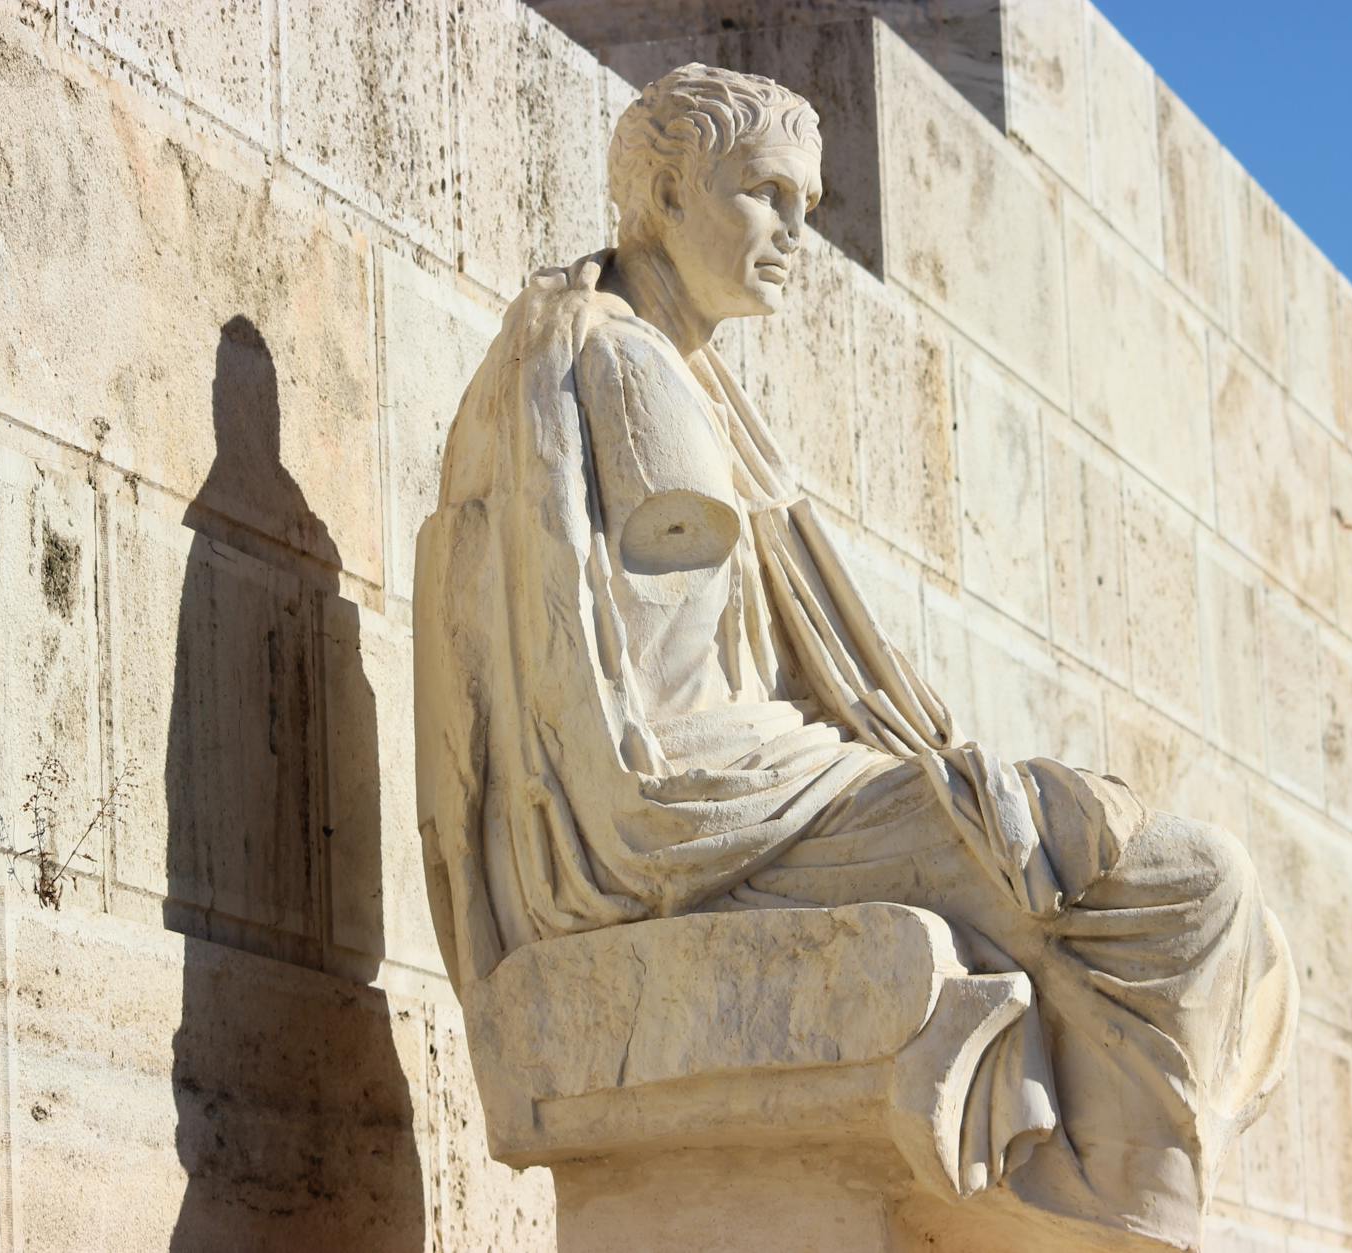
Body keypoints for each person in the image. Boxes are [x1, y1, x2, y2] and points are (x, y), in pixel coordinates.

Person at [414, 62, 1296, 1248]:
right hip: (701, 816)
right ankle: (1110, 1204)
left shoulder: (671, 372)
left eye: (809, 206)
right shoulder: (625, 367)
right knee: (1176, 880)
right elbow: (651, 745)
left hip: (753, 790)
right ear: (663, 195)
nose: (793, 235)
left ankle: (1107, 1199)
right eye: (764, 195)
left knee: (1131, 856)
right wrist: (930, 789)